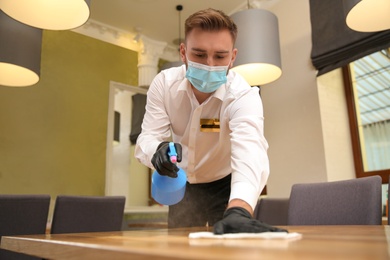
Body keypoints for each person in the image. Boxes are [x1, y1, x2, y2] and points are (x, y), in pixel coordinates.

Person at [135, 8, 286, 234]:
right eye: (199, 54)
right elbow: (147, 137)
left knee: (229, 249)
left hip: (224, 184)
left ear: (233, 57)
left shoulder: (243, 94)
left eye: (220, 56)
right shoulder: (164, 85)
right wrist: (157, 150)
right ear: (183, 52)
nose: (209, 65)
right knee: (179, 251)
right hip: (181, 185)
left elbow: (250, 149)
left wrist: (241, 207)